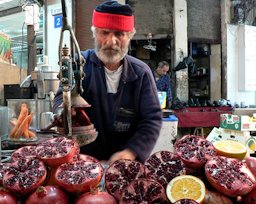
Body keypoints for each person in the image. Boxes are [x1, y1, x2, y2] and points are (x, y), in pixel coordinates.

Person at [53, 1, 162, 164]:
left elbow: (152, 118)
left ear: (130, 36)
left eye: (119, 34)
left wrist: (132, 152)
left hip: (124, 166)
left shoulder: (141, 73)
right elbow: (61, 98)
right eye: (104, 33)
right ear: (94, 33)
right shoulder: (78, 64)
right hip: (81, 163)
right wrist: (62, 111)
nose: (111, 41)